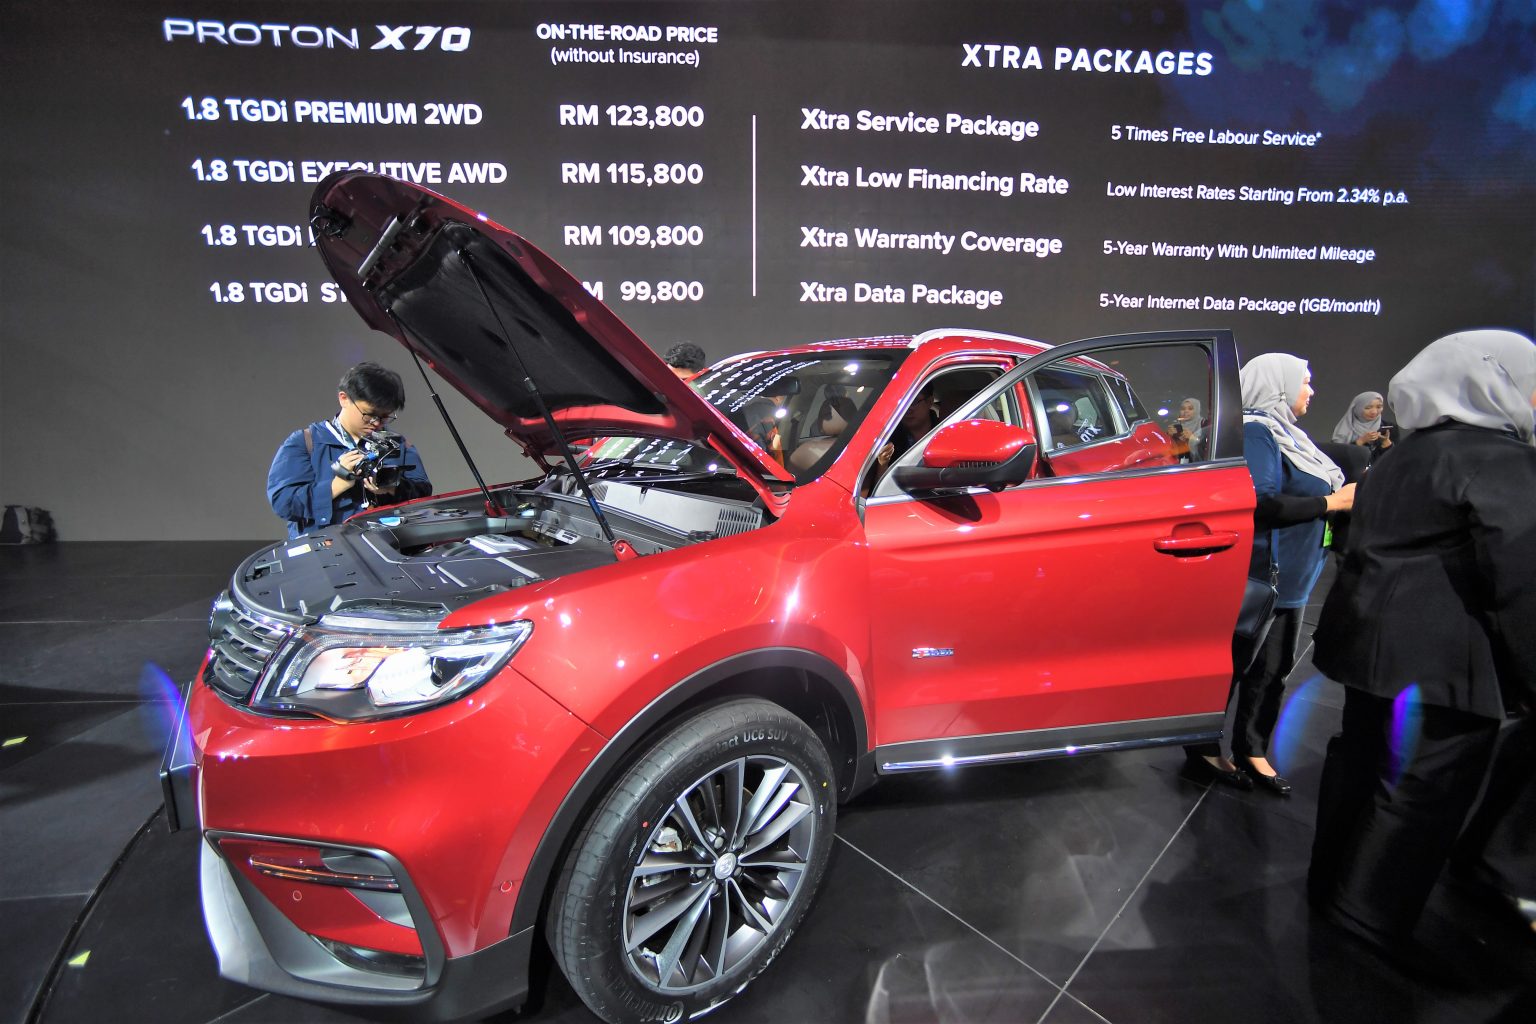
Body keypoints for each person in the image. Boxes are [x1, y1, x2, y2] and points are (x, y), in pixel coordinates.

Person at [1308, 329, 1536, 952]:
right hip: (1445, 660)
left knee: (1359, 768)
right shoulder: (1502, 462)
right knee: (1422, 789)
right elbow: (1519, 576)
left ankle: (1331, 891)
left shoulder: (1399, 457)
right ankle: (1368, 921)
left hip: (1366, 648)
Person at [1185, 354, 1354, 793]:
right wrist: (1331, 503)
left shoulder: (1289, 434)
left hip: (1295, 577)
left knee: (1272, 670)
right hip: (1262, 574)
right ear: (1278, 385)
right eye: (1305, 381)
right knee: (1235, 667)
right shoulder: (1258, 432)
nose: (1311, 391)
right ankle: (1203, 747)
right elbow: (1258, 502)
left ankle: (1252, 748)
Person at [267, 362, 431, 538]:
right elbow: (283, 503)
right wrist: (336, 485)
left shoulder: (397, 444)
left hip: (389, 545)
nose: (376, 423)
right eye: (369, 414)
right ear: (344, 398)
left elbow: (423, 493)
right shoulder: (305, 443)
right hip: (329, 548)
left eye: (385, 417)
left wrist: (392, 489)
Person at [1330, 390, 1393, 458]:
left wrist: (1386, 442)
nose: (1374, 412)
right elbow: (1336, 456)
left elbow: (1395, 459)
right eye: (1368, 408)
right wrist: (1361, 441)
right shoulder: (1344, 429)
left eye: (1379, 407)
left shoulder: (1387, 428)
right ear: (1357, 408)